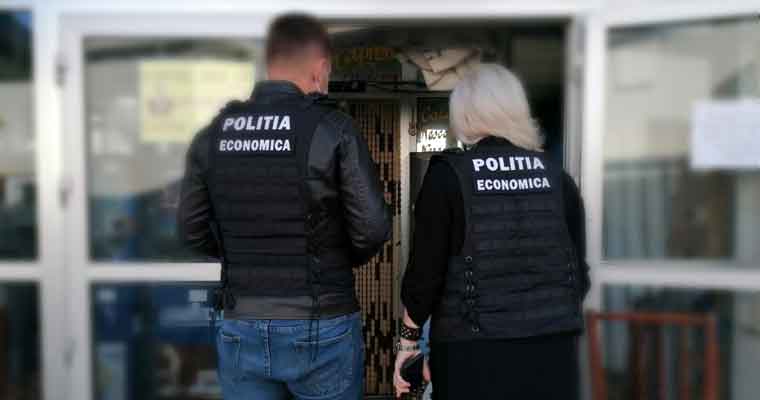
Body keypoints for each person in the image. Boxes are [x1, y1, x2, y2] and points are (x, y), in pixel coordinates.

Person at [177, 13, 391, 400]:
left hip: (241, 320)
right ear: (319, 68)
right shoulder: (332, 128)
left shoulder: (213, 135)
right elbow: (372, 228)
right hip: (322, 322)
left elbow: (191, 229)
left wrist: (241, 254)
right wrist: (332, 260)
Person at [393, 64, 590, 399]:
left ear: (465, 115)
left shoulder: (448, 177)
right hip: (554, 356)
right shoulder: (558, 179)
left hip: (473, 359)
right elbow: (579, 277)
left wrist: (409, 344)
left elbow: (425, 277)